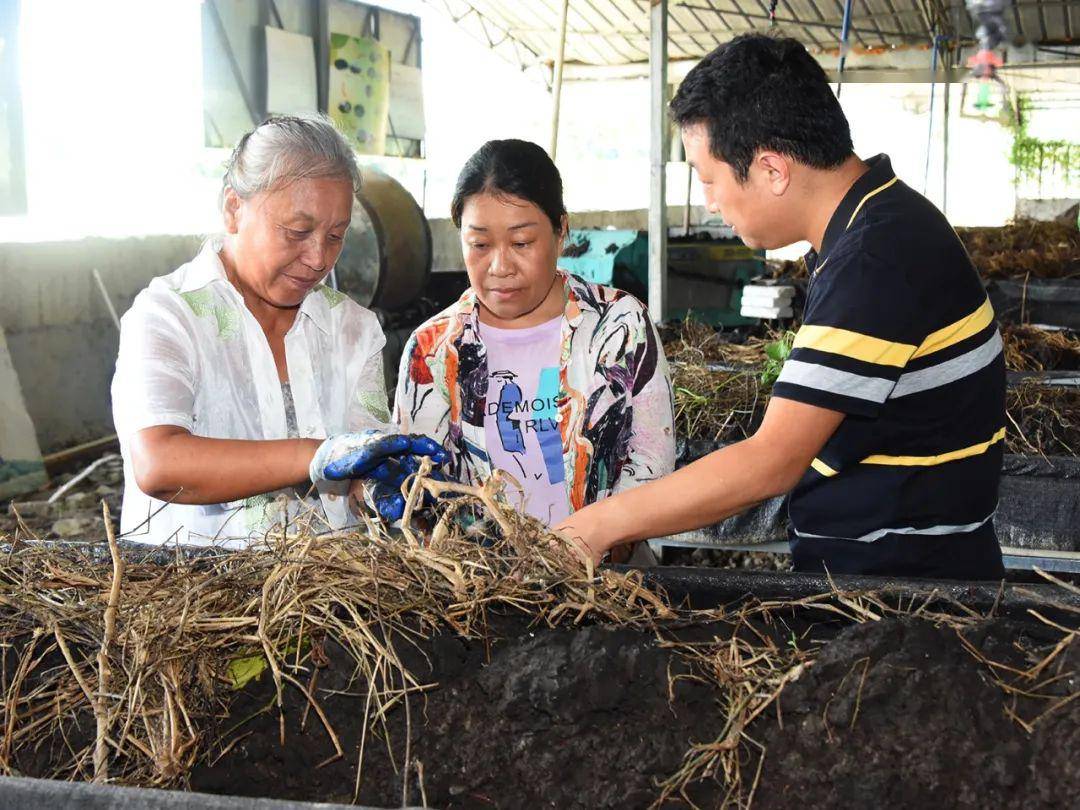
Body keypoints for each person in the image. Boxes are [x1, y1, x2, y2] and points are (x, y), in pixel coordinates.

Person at [555, 35, 1006, 580]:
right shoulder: (877, 223)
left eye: (708, 178)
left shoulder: (873, 259)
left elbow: (772, 461)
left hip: (905, 594)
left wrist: (596, 525)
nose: (710, 201)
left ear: (771, 169)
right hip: (894, 572)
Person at [112, 115, 444, 548]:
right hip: (195, 599)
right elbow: (159, 465)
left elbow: (363, 470)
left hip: (327, 598)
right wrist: (319, 456)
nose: (318, 258)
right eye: (298, 232)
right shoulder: (169, 316)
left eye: (336, 235)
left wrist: (383, 486)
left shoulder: (352, 330)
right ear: (234, 209)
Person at [394, 139, 675, 560]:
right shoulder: (434, 349)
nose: (500, 267)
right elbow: (418, 489)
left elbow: (652, 463)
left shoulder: (617, 326)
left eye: (522, 243)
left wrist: (598, 548)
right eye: (480, 244)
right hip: (479, 595)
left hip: (615, 583)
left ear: (562, 231)